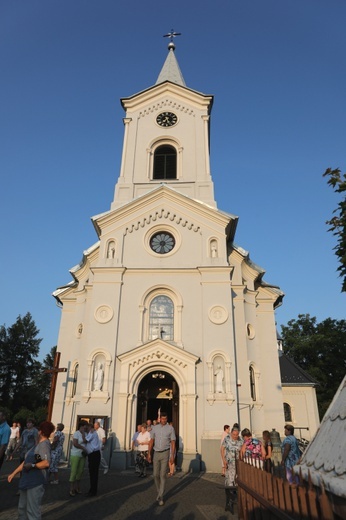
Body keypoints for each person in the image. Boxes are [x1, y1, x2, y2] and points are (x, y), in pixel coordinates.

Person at [8, 421, 55, 520]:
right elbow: (27, 461)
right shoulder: (38, 445)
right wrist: (13, 473)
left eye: (39, 430)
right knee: (22, 508)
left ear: (41, 432)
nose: (37, 432)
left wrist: (32, 465)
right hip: (27, 481)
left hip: (35, 483)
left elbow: (46, 463)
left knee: (32, 511)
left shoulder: (44, 445)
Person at [148, 411, 176, 507]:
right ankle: (159, 492)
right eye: (162, 419)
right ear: (159, 419)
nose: (163, 420)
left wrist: (172, 456)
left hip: (165, 452)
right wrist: (149, 453)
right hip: (156, 453)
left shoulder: (170, 428)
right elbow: (151, 441)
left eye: (165, 419)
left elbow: (173, 442)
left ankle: (160, 496)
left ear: (167, 419)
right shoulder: (154, 428)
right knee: (155, 475)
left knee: (162, 475)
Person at [221, 426, 243, 514]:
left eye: (236, 435)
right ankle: (229, 503)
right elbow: (222, 449)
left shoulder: (241, 440)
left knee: (237, 483)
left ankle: (236, 502)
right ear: (231, 433)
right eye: (233, 434)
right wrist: (223, 460)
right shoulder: (227, 439)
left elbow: (243, 451)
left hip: (238, 465)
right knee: (229, 483)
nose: (235, 436)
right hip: (229, 465)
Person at [69, 420, 88, 496]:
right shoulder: (76, 433)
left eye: (86, 426)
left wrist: (83, 435)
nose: (85, 427)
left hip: (82, 455)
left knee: (80, 471)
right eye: (84, 426)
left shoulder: (86, 434)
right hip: (75, 454)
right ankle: (71, 488)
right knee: (74, 471)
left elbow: (86, 441)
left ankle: (77, 487)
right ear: (81, 426)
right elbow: (75, 443)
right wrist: (83, 448)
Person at [84, 422, 101, 497]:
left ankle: (93, 491)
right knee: (93, 473)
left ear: (89, 428)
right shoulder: (92, 432)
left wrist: (81, 434)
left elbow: (85, 440)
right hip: (93, 454)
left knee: (93, 473)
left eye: (86, 428)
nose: (86, 429)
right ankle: (92, 489)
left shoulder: (92, 433)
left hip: (94, 454)